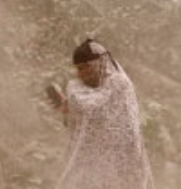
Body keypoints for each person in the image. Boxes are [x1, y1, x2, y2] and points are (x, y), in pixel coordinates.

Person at [50, 39, 154, 188]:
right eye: (78, 69)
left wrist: (73, 100)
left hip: (120, 160)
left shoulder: (118, 83)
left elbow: (96, 110)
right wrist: (68, 109)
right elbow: (81, 126)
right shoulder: (83, 88)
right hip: (90, 161)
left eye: (84, 68)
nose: (80, 74)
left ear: (98, 63)